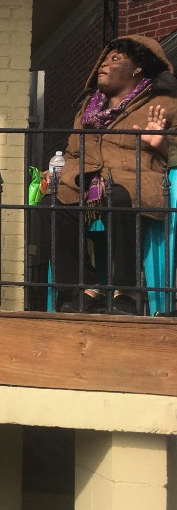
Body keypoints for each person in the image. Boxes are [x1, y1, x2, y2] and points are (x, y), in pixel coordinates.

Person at [47, 35, 177, 314]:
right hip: (86, 178)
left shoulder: (164, 104)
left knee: (118, 196)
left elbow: (174, 154)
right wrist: (61, 172)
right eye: (104, 60)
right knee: (54, 201)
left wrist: (162, 142)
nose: (103, 65)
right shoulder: (87, 109)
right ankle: (84, 286)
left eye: (115, 59)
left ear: (138, 68)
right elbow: (72, 151)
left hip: (136, 179)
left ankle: (127, 290)